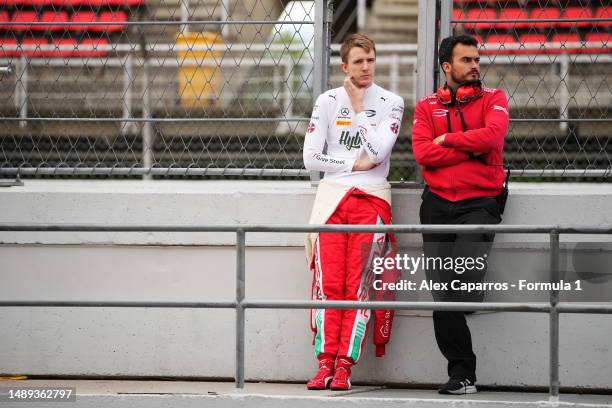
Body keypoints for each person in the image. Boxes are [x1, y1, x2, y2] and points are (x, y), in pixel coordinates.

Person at [303, 33, 403, 391]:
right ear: (344, 66)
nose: (366, 67)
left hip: (372, 200)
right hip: (333, 199)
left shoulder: (392, 102)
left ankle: (345, 365)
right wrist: (350, 164)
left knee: (358, 287)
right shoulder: (328, 100)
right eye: (358, 61)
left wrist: (359, 107)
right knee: (328, 286)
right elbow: (310, 157)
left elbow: (377, 151)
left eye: (371, 60)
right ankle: (323, 362)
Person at [411, 34, 509, 395]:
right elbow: (422, 153)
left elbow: (493, 137)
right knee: (442, 290)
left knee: (456, 286)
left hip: (479, 203)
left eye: (476, 59)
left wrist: (449, 141)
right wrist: (471, 150)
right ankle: (463, 374)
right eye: (466, 60)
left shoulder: (494, 98)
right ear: (446, 66)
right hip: (436, 203)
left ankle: (468, 300)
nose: (475, 66)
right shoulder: (425, 107)